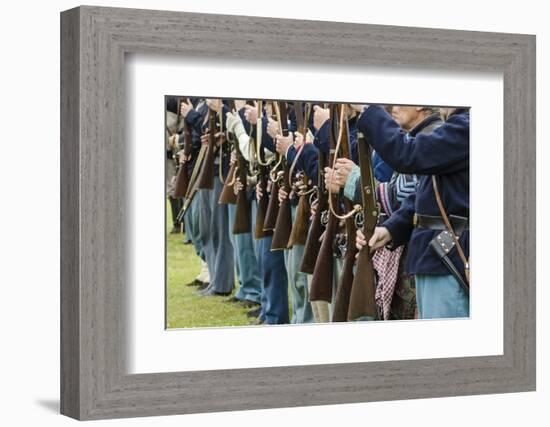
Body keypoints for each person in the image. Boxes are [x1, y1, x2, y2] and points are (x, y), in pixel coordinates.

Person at [352, 104, 470, 319]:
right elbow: (426, 193)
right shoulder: (458, 126)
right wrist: (391, 229)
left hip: (448, 258)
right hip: (437, 255)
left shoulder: (469, 126)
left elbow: (407, 154)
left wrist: (368, 109)